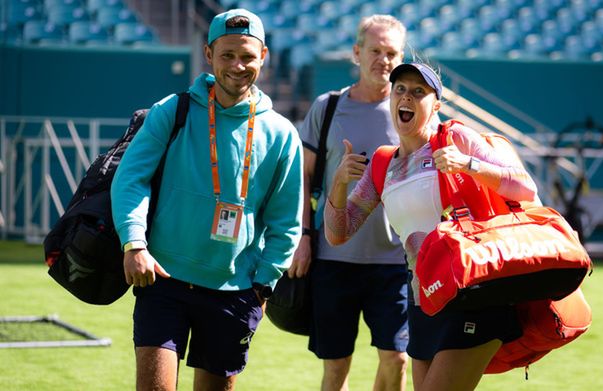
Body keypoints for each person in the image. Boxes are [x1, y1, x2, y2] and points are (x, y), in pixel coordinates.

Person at [111, 9, 303, 391]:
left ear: (263, 57)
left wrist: (263, 285)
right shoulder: (173, 110)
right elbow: (131, 180)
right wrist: (134, 243)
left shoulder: (282, 134)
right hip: (163, 279)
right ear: (209, 54)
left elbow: (286, 223)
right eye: (227, 54)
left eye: (247, 56)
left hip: (234, 291)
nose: (237, 65)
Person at [323, 62, 539, 390]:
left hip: (475, 294)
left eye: (418, 92)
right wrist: (339, 184)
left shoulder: (455, 138)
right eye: (400, 90)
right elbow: (339, 233)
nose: (406, 97)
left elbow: (526, 188)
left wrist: (469, 165)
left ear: (435, 105)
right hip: (423, 301)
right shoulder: (383, 163)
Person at [290, 15, 412, 391]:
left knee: (397, 358)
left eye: (391, 53)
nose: (383, 60)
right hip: (334, 259)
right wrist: (303, 237)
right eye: (375, 51)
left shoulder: (408, 112)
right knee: (336, 368)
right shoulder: (327, 108)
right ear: (357, 53)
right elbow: (303, 178)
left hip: (393, 261)